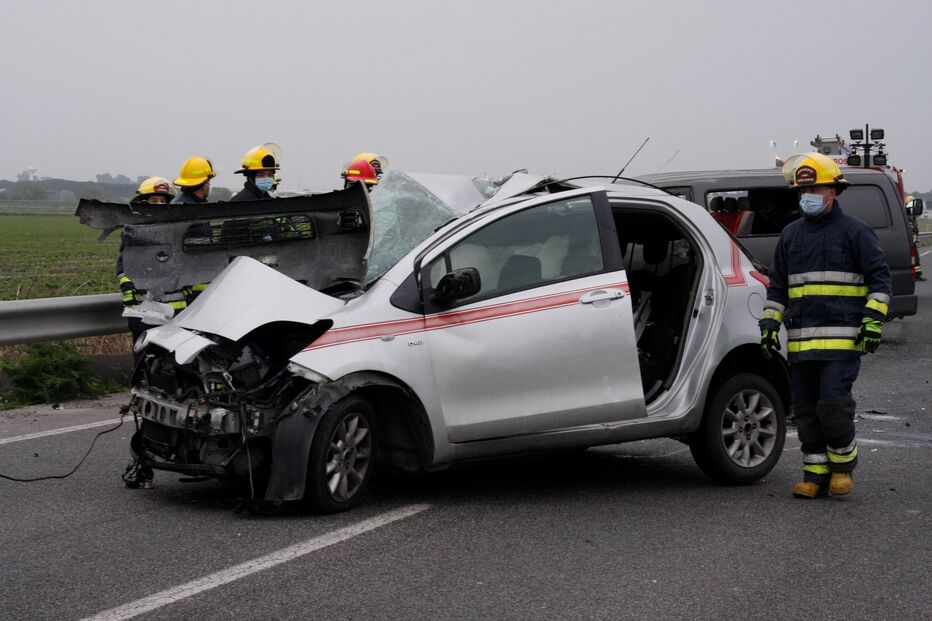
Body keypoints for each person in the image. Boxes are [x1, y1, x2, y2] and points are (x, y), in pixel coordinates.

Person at [759, 152, 891, 499]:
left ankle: (843, 467)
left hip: (842, 343)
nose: (808, 197)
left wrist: (873, 320)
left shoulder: (855, 232)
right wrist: (770, 324)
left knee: (833, 407)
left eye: (815, 189)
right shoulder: (791, 235)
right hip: (802, 345)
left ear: (832, 191)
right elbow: (778, 286)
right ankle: (814, 472)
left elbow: (880, 279)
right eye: (804, 191)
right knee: (804, 411)